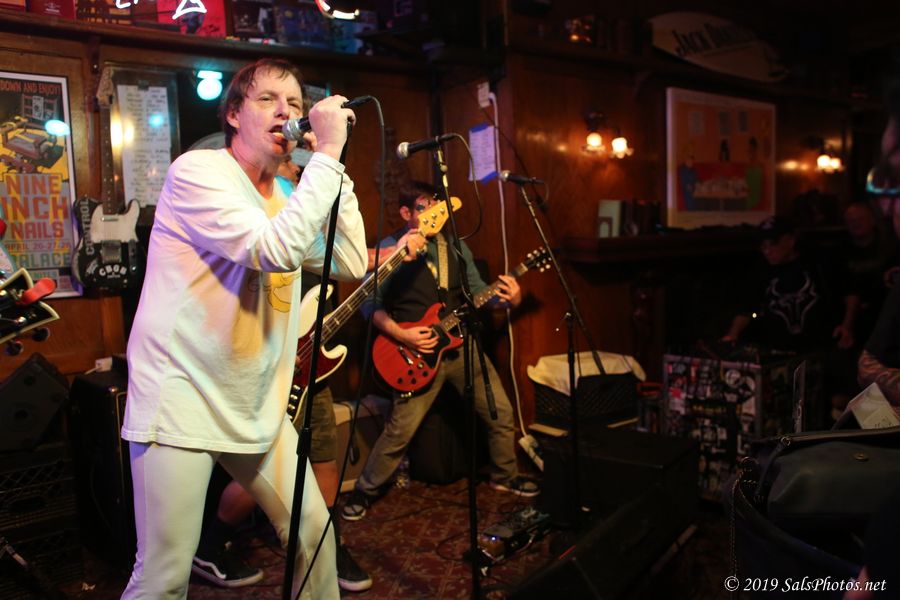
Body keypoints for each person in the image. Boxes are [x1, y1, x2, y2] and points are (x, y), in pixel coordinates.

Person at [119, 58, 367, 599]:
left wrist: (335, 167)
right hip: (182, 399)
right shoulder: (198, 173)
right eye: (267, 99)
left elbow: (349, 261)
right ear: (234, 114)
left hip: (254, 402)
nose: (286, 111)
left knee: (314, 534)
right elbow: (271, 250)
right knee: (163, 576)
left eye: (295, 103)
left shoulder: (288, 194)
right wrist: (326, 157)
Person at [342, 181, 539, 522]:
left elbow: (479, 293)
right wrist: (403, 335)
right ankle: (365, 490)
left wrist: (510, 300)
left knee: (501, 413)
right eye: (423, 207)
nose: (433, 212)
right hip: (414, 352)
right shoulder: (389, 248)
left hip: (461, 346)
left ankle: (505, 476)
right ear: (406, 213)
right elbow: (368, 304)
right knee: (400, 431)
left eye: (436, 204)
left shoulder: (454, 246)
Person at [722, 215, 856, 353]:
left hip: (820, 346)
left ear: (790, 241)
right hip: (777, 350)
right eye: (763, 246)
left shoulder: (817, 262)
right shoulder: (761, 271)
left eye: (773, 244)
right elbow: (746, 308)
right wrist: (733, 334)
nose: (767, 251)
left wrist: (847, 326)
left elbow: (850, 293)